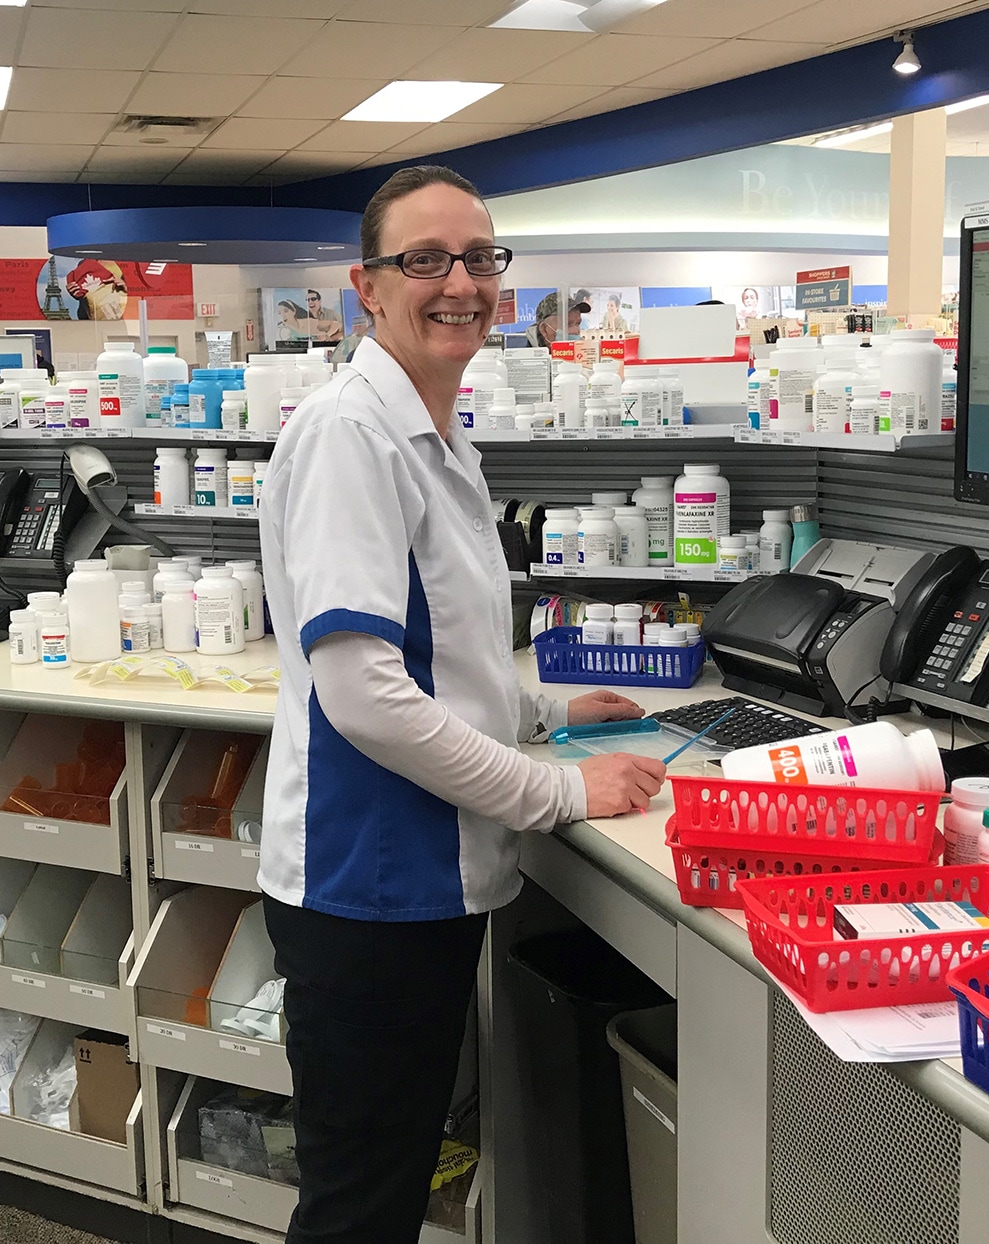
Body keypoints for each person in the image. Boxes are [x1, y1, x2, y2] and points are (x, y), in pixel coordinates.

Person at [257, 165, 667, 1243]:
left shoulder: (439, 439)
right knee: (359, 1202)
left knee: (379, 1188)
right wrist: (557, 789)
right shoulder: (354, 434)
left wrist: (543, 716)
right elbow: (364, 696)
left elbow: (439, 657)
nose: (459, 284)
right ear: (367, 285)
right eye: (424, 260)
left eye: (479, 258)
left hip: (411, 885)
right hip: (369, 882)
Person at [521, 289, 589, 348]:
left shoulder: (582, 355)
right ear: (544, 329)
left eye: (578, 324)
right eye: (566, 324)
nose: (575, 331)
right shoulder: (521, 356)